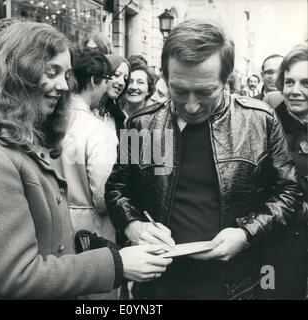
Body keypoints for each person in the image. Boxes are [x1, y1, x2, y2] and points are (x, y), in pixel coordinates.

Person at [0, 22, 172, 299]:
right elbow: (17, 277)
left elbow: (49, 243)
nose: (64, 85)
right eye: (52, 72)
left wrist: (105, 246)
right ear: (17, 75)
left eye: (65, 74)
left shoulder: (15, 146)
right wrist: (118, 263)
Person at [105, 19, 303, 300]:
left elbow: (288, 194)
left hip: (236, 286)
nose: (191, 105)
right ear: (164, 76)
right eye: (180, 91)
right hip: (159, 285)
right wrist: (134, 226)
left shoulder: (259, 121)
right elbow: (118, 190)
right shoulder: (143, 125)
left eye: (205, 91)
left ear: (226, 79)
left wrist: (246, 233)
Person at [56, 49, 119, 299]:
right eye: (106, 81)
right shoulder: (98, 131)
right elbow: (104, 197)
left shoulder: (51, 122)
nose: (107, 88)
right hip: (92, 234)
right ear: (94, 81)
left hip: (55, 230)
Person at [260, 43, 308, 299]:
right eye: (289, 82)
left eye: (306, 83)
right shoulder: (266, 124)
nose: (295, 91)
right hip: (279, 249)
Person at [97, 54, 130, 139]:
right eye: (116, 75)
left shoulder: (122, 118)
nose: (122, 83)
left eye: (125, 79)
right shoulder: (84, 110)